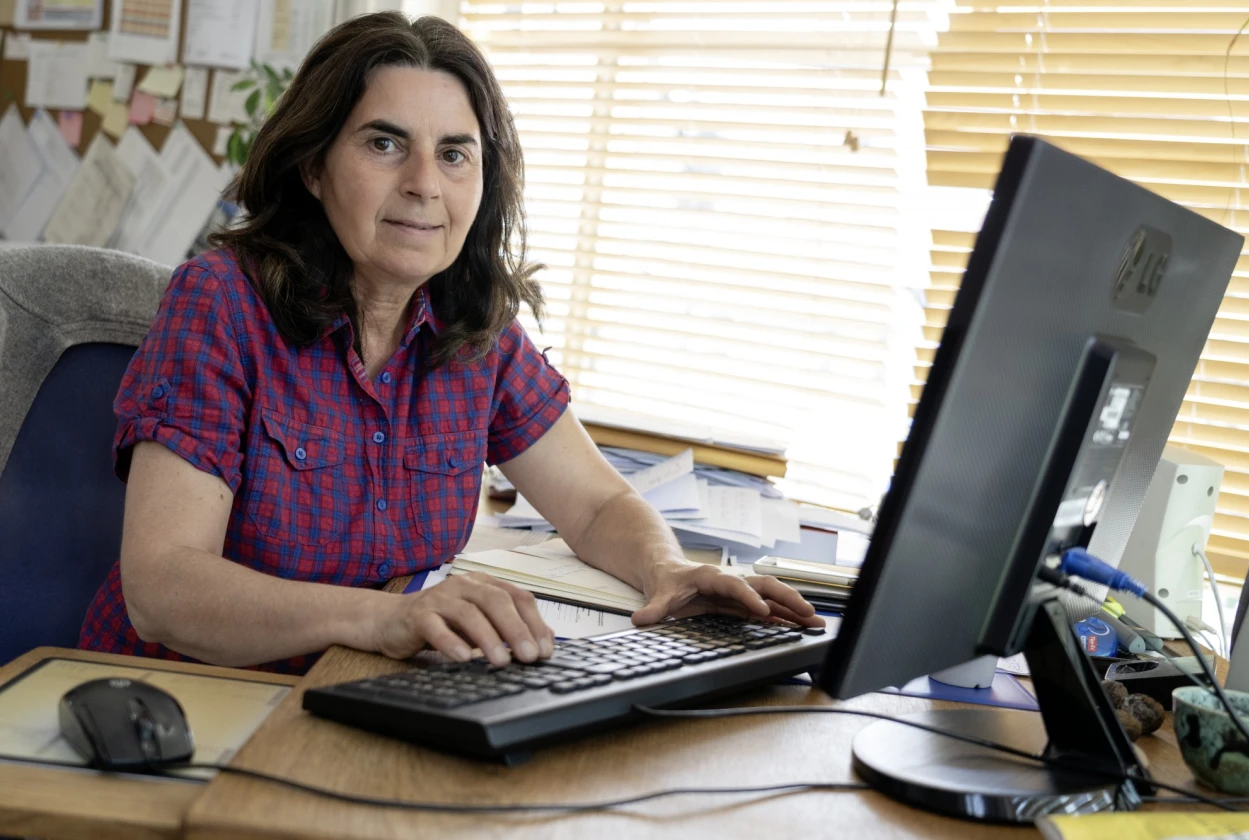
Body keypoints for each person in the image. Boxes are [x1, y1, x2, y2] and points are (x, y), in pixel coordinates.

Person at [79, 12, 821, 675]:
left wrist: (667, 567)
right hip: (183, 701)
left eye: (455, 153)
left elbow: (593, 506)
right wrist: (385, 619)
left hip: (355, 692)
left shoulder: (474, 327)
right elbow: (163, 587)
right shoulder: (221, 304)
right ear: (313, 166)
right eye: (385, 143)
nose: (424, 183)